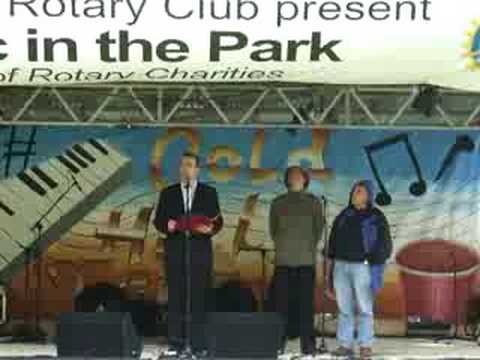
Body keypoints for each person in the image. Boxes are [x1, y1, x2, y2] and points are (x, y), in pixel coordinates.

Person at [153, 151, 223, 354]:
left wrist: (210, 229)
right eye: (183, 165)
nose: (186, 169)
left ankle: (199, 343)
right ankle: (177, 342)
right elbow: (158, 221)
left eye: (190, 165)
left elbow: (218, 221)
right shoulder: (168, 192)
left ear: (197, 170)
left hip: (200, 253)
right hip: (176, 252)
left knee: (199, 297)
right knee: (176, 297)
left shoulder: (209, 192)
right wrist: (170, 225)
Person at [325, 180, 392, 359]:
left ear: (369, 195)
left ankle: (365, 345)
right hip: (340, 266)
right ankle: (345, 345)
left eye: (360, 191)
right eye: (354, 190)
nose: (355, 193)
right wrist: (329, 273)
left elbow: (385, 245)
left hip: (362, 267)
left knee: (364, 308)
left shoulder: (376, 216)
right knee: (344, 308)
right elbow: (331, 245)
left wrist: (373, 262)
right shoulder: (344, 215)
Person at [269, 166, 324, 355]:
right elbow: (273, 229)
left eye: (298, 174)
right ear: (287, 180)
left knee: (306, 306)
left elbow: (319, 229)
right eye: (290, 175)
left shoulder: (314, 202)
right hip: (283, 260)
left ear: (305, 179)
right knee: (281, 304)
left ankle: (308, 346)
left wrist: (307, 247)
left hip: (305, 261)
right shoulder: (278, 203)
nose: (294, 177)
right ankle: (278, 343)